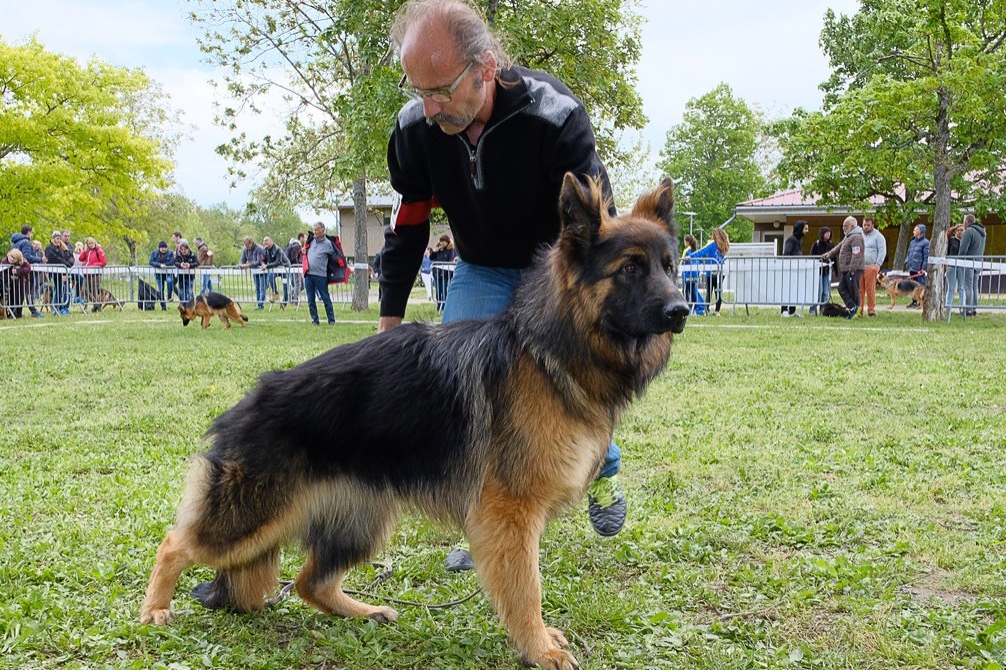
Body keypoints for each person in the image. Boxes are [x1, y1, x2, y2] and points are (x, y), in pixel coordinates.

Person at [379, 0, 625, 571]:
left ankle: (603, 468)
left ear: (486, 67)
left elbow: (594, 223)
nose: (430, 106)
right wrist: (391, 314)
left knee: (569, 393)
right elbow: (410, 222)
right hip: (481, 266)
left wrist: (596, 308)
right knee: (463, 397)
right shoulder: (416, 130)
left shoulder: (555, 115)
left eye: (442, 89)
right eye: (419, 90)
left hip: (552, 273)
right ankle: (482, 519)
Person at [822, 216, 864, 318]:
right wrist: (829, 254)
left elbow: (857, 254)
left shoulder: (856, 238)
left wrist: (852, 269)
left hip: (853, 269)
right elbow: (839, 247)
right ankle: (853, 307)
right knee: (842, 288)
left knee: (852, 290)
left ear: (852, 226)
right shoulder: (848, 236)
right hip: (846, 269)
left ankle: (855, 309)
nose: (843, 228)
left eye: (845, 226)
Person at [683, 228, 730, 315]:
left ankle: (706, 310)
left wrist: (691, 256)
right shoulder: (724, 245)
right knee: (718, 291)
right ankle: (717, 311)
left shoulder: (712, 244)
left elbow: (702, 251)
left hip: (711, 272)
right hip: (720, 272)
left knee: (709, 291)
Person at [303, 222, 336, 326]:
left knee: (325, 298)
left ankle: (331, 320)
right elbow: (306, 251)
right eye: (314, 230)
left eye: (317, 230)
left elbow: (334, 257)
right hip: (309, 275)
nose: (314, 232)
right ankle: (315, 320)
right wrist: (304, 251)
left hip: (321, 275)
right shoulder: (311, 241)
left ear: (323, 230)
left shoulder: (328, 244)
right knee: (310, 299)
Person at [10, 224, 43, 317]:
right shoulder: (26, 242)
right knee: (29, 291)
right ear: (29, 232)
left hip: (16, 270)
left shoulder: (14, 243)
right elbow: (27, 256)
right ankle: (33, 311)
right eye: (31, 232)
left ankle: (17, 312)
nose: (31, 234)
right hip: (26, 270)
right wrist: (40, 259)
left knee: (18, 292)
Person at [958, 214, 986, 317]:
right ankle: (974, 308)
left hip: (968, 262)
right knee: (975, 286)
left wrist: (959, 259)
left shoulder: (969, 231)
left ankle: (968, 310)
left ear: (966, 222)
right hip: (978, 262)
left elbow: (963, 249)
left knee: (968, 286)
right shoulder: (983, 233)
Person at [859, 217, 886, 317]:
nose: (866, 227)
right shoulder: (858, 235)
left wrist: (877, 265)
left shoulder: (878, 236)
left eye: (868, 225)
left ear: (872, 225)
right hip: (859, 266)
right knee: (859, 290)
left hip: (871, 267)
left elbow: (882, 251)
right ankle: (859, 309)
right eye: (864, 225)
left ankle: (871, 310)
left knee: (870, 289)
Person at [781, 220, 807, 317]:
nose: (807, 231)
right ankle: (784, 310)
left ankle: (792, 310)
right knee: (787, 289)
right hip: (789, 269)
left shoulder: (800, 240)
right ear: (800, 229)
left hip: (796, 270)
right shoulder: (791, 240)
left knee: (794, 290)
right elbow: (786, 253)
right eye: (805, 228)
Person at [45, 230, 75, 314]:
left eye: (59, 238)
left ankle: (62, 307)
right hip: (55, 272)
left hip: (63, 271)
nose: (58, 240)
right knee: (58, 289)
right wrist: (66, 264)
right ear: (53, 239)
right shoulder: (49, 248)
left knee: (63, 289)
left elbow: (68, 256)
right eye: (57, 238)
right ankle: (55, 307)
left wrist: (68, 264)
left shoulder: (62, 247)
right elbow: (54, 259)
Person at [0, 249, 32, 318]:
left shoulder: (23, 260)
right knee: (11, 299)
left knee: (20, 298)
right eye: (10, 257)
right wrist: (10, 277)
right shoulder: (4, 261)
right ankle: (11, 313)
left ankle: (18, 314)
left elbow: (28, 268)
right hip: (9, 283)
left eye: (14, 258)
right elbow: (1, 273)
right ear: (8, 255)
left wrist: (17, 271)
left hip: (20, 283)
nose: (11, 259)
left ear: (18, 258)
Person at [809, 226, 834, 315]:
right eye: (826, 232)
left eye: (829, 232)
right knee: (818, 291)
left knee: (825, 291)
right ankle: (813, 309)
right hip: (818, 271)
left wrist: (835, 269)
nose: (828, 234)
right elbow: (812, 257)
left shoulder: (831, 244)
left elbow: (833, 257)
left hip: (826, 271)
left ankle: (823, 310)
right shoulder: (816, 244)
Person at [79, 236, 107, 311]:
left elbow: (103, 262)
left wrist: (93, 265)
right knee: (84, 290)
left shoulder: (99, 251)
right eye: (89, 244)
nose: (90, 245)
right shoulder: (87, 251)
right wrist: (84, 251)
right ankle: (97, 304)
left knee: (94, 290)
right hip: (87, 274)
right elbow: (81, 259)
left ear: (95, 242)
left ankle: (96, 306)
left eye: (92, 243)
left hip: (95, 274)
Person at [904, 223, 929, 307]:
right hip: (912, 267)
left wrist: (923, 268)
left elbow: (926, 257)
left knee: (920, 286)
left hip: (919, 269)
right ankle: (914, 301)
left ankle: (922, 302)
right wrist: (907, 262)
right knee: (913, 286)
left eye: (915, 229)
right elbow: (909, 253)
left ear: (920, 232)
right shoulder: (912, 242)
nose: (913, 231)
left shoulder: (925, 243)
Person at [239, 236, 267, 309]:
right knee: (257, 288)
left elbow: (259, 262)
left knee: (262, 288)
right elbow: (242, 260)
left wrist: (248, 265)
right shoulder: (245, 249)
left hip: (262, 270)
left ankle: (261, 305)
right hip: (254, 271)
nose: (246, 246)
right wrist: (241, 265)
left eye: (247, 245)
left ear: (251, 243)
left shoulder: (259, 248)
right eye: (245, 245)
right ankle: (258, 304)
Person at [261, 236, 289, 303]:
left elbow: (278, 262)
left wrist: (267, 266)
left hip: (284, 268)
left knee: (285, 287)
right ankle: (275, 293)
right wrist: (263, 264)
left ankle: (284, 302)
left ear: (271, 241)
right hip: (275, 269)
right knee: (270, 276)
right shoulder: (265, 250)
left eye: (266, 240)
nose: (265, 242)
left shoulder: (277, 249)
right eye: (264, 241)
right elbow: (263, 260)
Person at [150, 241, 176, 310]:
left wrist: (165, 265)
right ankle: (163, 306)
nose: (164, 249)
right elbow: (151, 262)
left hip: (168, 273)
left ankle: (169, 297)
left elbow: (172, 261)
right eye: (162, 248)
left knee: (170, 281)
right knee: (161, 290)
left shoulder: (170, 253)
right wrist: (159, 265)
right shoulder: (154, 253)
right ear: (159, 248)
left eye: (165, 247)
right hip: (158, 275)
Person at [284, 235, 305, 307]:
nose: (305, 239)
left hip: (296, 267)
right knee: (298, 284)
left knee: (302, 285)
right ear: (301, 238)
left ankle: (290, 296)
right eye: (304, 237)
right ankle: (295, 301)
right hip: (295, 267)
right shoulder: (296, 246)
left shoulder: (295, 245)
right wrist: (298, 264)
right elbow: (293, 257)